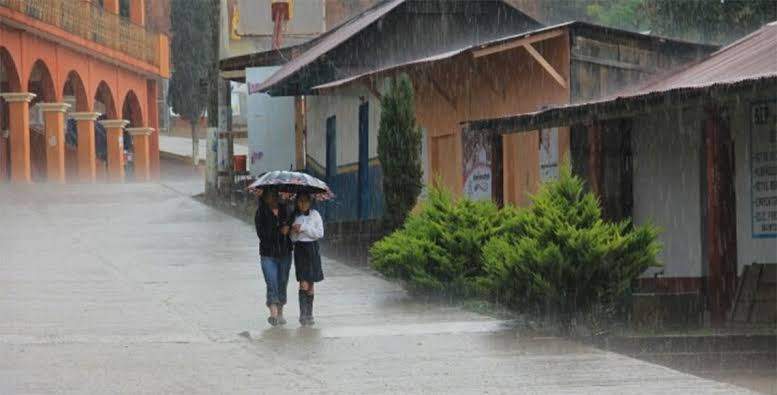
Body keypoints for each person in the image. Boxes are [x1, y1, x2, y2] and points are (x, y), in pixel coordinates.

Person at [254, 189, 293, 326]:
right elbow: (262, 235)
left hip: (285, 253)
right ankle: (274, 315)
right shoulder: (260, 213)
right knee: (271, 283)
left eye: (275, 195)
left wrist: (287, 228)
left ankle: (280, 311)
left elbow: (291, 224)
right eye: (270, 196)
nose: (273, 198)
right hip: (267, 254)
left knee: (282, 282)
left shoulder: (286, 209)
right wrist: (278, 229)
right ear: (264, 198)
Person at [290, 193, 324, 326]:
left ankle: (310, 314)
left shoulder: (315, 215)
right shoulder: (295, 216)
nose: (303, 204)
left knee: (311, 284)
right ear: (297, 202)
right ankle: (303, 315)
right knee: (303, 283)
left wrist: (303, 228)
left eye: (305, 201)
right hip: (300, 250)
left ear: (310, 202)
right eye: (300, 201)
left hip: (313, 250)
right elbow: (292, 238)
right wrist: (294, 232)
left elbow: (319, 233)